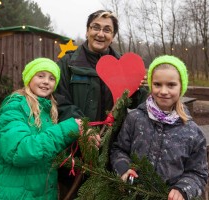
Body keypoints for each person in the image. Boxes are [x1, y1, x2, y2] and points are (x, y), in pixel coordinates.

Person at [54, 10, 148, 198]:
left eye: (107, 30)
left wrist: (140, 86)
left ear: (112, 36)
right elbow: (60, 100)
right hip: (75, 149)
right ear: (87, 30)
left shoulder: (123, 65)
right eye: (95, 27)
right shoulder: (68, 63)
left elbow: (138, 102)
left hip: (110, 150)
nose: (100, 33)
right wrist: (83, 128)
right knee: (73, 192)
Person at [110, 55, 209, 200]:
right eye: (157, 84)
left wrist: (183, 189)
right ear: (151, 85)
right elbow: (118, 149)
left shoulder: (192, 132)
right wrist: (124, 168)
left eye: (171, 85)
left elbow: (199, 173)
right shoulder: (135, 119)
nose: (163, 91)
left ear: (181, 87)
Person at [0, 58, 83, 199]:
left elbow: (46, 150)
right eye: (40, 76)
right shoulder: (14, 107)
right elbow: (19, 151)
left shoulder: (47, 111)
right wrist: (65, 130)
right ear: (29, 78)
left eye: (52, 78)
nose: (46, 81)